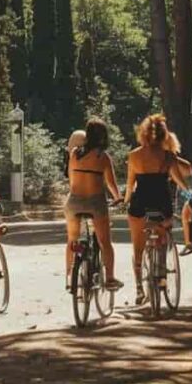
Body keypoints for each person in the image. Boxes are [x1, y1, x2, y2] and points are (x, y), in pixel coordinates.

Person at [125, 114, 191, 305]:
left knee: (137, 247)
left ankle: (139, 288)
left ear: (143, 134)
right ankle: (162, 276)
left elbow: (130, 185)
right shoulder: (168, 156)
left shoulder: (134, 156)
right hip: (162, 204)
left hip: (139, 204)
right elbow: (180, 180)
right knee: (162, 240)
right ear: (164, 135)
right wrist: (190, 193)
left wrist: (125, 200)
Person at [64, 117, 123, 291]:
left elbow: (71, 178)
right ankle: (110, 278)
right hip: (95, 203)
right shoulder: (102, 157)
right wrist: (118, 197)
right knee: (105, 242)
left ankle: (68, 278)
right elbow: (111, 184)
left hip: (74, 201)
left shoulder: (75, 153)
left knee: (72, 239)